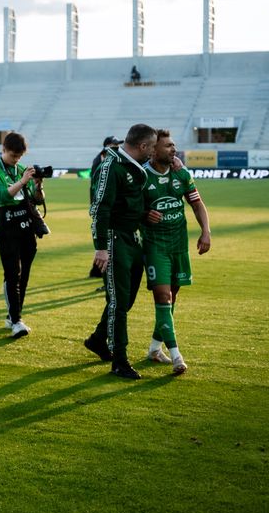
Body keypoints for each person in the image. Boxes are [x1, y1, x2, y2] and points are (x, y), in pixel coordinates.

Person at [84, 123, 157, 380]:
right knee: (118, 302)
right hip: (115, 241)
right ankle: (119, 360)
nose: (153, 153)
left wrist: (144, 214)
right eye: (152, 147)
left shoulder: (132, 166)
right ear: (143, 146)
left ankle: (97, 340)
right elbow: (99, 208)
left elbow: (130, 201)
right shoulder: (111, 166)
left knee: (125, 300)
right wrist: (101, 248)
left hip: (132, 238)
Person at [142, 130, 211, 375]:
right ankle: (176, 355)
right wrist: (143, 215)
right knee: (163, 298)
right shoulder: (142, 177)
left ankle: (153, 348)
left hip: (179, 245)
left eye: (174, 145)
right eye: (168, 145)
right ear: (153, 150)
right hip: (154, 246)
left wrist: (205, 231)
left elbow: (196, 203)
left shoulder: (182, 174)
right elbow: (128, 208)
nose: (173, 149)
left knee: (171, 298)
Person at [0, 132, 45, 339]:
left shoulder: (21, 170)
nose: (16, 159)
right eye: (12, 155)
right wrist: (23, 181)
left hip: (26, 227)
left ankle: (13, 315)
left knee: (23, 274)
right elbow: (0, 195)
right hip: (6, 228)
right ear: (3, 150)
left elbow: (35, 200)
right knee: (12, 274)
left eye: (19, 156)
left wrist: (37, 186)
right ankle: (16, 321)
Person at [88, 136, 122, 279]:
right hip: (104, 208)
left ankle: (97, 272)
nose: (117, 147)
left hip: (103, 207)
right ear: (107, 145)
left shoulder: (104, 158)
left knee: (106, 244)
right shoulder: (101, 161)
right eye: (115, 144)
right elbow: (97, 186)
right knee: (107, 244)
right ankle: (103, 276)